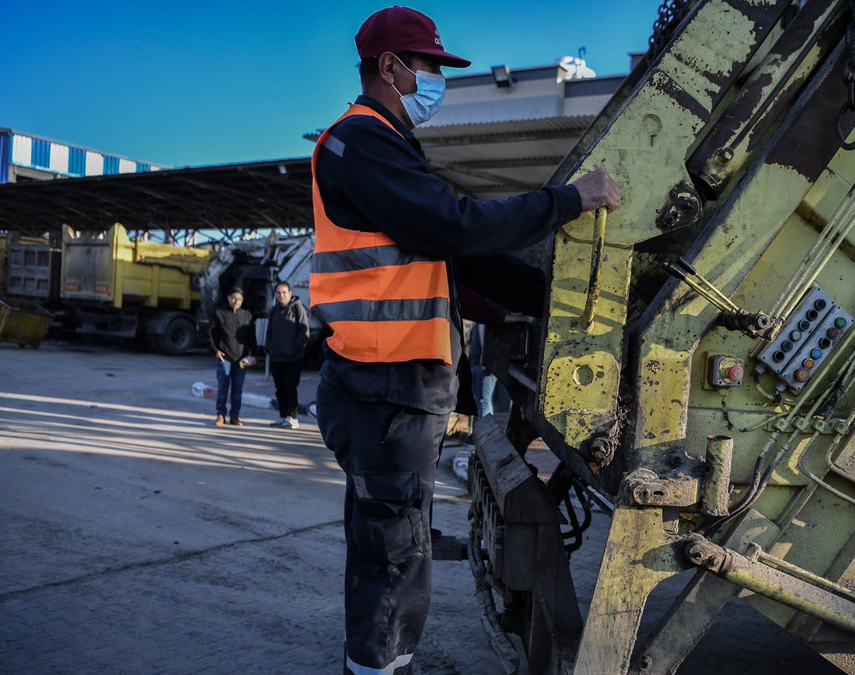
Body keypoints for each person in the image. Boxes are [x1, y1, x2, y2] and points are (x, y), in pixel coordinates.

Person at [309, 7, 620, 674]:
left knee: (392, 542)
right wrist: (570, 200)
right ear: (390, 67)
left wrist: (546, 306)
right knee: (394, 556)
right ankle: (378, 667)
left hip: (392, 388)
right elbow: (457, 228)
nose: (435, 82)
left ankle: (376, 662)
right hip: (383, 387)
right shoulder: (358, 142)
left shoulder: (388, 148)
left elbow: (459, 257)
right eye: (427, 68)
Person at [265, 281, 310, 429]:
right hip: (277, 358)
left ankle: (293, 418)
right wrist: (270, 348)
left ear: (290, 293)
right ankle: (283, 416)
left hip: (293, 358)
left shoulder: (298, 309)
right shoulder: (274, 311)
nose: (281, 295)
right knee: (280, 389)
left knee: (290, 387)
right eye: (278, 292)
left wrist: (293, 348)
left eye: (284, 292)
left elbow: (304, 334)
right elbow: (270, 332)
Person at [209, 287, 256, 427]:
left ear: (242, 301)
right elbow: (210, 334)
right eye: (233, 298)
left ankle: (235, 415)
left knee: (238, 388)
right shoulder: (220, 314)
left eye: (239, 299)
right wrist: (215, 350)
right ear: (229, 298)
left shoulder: (247, 316)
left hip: (241, 360)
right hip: (225, 359)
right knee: (223, 388)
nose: (236, 301)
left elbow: (251, 337)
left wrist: (254, 355)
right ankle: (220, 415)